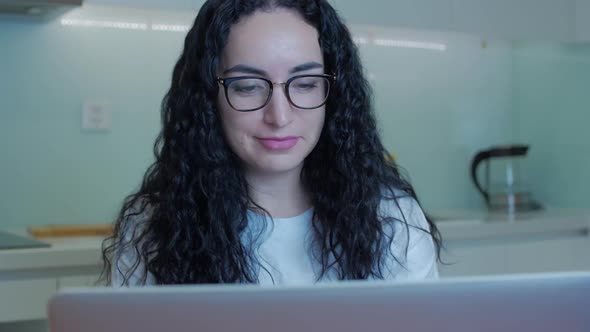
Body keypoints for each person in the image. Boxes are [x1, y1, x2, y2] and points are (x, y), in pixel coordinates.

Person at [101, 0, 442, 286]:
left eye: (305, 83)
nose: (279, 116)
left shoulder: (393, 221)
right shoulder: (152, 231)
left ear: (332, 93)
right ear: (209, 97)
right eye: (248, 86)